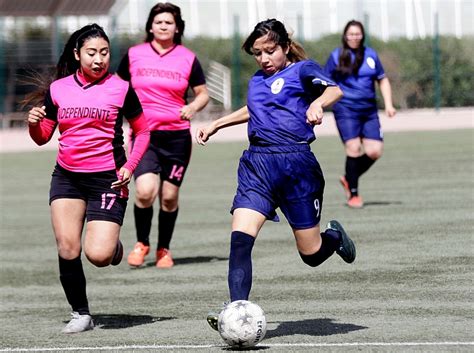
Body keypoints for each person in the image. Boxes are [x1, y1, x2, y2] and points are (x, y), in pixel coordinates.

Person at [195, 19, 356, 331]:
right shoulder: (257, 80)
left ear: (284, 47)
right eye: (257, 53)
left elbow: (336, 90)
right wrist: (217, 124)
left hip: (297, 167)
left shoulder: (303, 70)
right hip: (258, 167)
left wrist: (318, 104)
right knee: (240, 240)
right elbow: (253, 109)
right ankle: (236, 309)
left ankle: (334, 236)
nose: (264, 58)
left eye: (270, 51)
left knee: (310, 254)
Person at [25, 24, 150, 333]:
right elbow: (43, 137)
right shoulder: (58, 89)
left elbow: (143, 129)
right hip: (66, 177)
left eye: (105, 53)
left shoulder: (121, 87)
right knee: (68, 247)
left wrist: (130, 167)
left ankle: (114, 247)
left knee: (99, 255)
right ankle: (80, 313)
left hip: (108, 179)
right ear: (77, 54)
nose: (99, 59)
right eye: (92, 53)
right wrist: (33, 123)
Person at [116, 2, 210, 268]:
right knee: (145, 192)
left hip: (177, 137)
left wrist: (192, 106)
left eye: (169, 22)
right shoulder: (134, 54)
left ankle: (163, 250)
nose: (164, 26)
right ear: (150, 26)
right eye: (159, 22)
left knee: (169, 197)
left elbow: (203, 93)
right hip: (144, 135)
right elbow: (117, 85)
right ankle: (142, 242)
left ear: (177, 27)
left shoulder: (187, 57)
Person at [325, 20, 396, 209]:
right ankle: (354, 194)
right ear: (345, 36)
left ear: (362, 35)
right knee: (354, 147)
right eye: (351, 34)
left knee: (375, 151)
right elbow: (324, 82)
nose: (354, 37)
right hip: (345, 109)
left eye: (357, 34)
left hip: (369, 110)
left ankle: (349, 178)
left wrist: (388, 104)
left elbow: (383, 80)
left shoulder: (371, 55)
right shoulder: (336, 56)